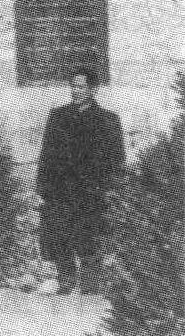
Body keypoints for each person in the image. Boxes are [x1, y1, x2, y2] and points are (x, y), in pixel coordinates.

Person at [36, 66, 126, 295]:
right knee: (59, 234)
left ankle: (90, 284)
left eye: (81, 87)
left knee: (89, 236)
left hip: (91, 191)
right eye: (73, 86)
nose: (76, 91)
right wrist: (43, 184)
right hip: (61, 189)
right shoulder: (58, 116)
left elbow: (116, 159)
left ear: (93, 89)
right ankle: (65, 278)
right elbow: (46, 153)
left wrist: (111, 189)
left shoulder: (108, 120)